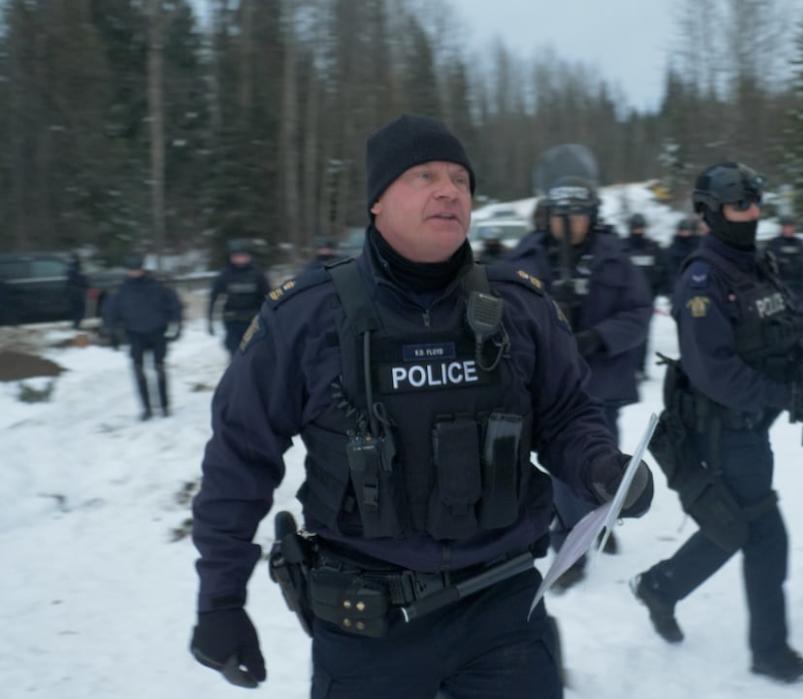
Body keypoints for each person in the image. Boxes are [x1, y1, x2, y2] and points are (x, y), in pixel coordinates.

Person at [188, 115, 654, 697]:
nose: (449, 190)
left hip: (503, 614)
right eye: (424, 175)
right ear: (377, 201)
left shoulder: (520, 307)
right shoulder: (304, 319)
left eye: (461, 179)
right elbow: (239, 459)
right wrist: (220, 601)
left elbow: (565, 415)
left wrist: (601, 468)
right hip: (367, 628)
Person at [631, 162, 803, 685]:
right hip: (723, 427)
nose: (753, 213)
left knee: (732, 527)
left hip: (751, 422)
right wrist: (778, 393)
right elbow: (713, 370)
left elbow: (779, 326)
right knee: (764, 535)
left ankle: (661, 587)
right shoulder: (703, 276)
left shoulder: (756, 264)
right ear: (711, 213)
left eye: (756, 202)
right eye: (741, 205)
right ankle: (770, 652)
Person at [508, 177, 653, 589]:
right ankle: (568, 548)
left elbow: (638, 312)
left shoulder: (613, 257)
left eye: (578, 216)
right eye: (561, 217)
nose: (569, 224)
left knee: (605, 463)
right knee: (565, 474)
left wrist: (597, 337)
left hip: (602, 382)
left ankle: (598, 522)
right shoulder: (529, 256)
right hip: (552, 388)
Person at [102, 254, 182, 420]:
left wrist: (176, 325)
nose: (135, 273)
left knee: (159, 369)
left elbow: (174, 305)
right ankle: (146, 408)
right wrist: (111, 333)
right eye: (132, 270)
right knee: (138, 371)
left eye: (137, 269)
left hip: (158, 332)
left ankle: (165, 406)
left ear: (143, 269)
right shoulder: (121, 289)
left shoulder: (158, 285)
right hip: (134, 334)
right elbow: (111, 312)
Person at [207, 240, 271, 357]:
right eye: (237, 256)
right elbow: (213, 297)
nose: (240, 259)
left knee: (254, 352)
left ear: (248, 256)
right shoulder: (225, 275)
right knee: (235, 354)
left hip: (254, 321)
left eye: (243, 256)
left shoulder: (258, 274)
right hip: (232, 321)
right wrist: (209, 320)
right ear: (231, 257)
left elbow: (269, 297)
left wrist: (271, 318)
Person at [623, 212, 665, 378]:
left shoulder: (653, 248)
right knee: (625, 334)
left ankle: (639, 368)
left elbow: (662, 270)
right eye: (635, 228)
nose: (638, 231)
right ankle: (628, 368)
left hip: (647, 299)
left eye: (640, 227)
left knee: (643, 335)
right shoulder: (622, 248)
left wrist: (660, 289)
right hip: (625, 299)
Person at [763, 214, 803, 310]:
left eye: (791, 226)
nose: (789, 229)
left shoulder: (800, 244)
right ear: (782, 228)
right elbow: (766, 266)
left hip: (798, 289)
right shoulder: (774, 244)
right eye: (786, 226)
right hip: (780, 289)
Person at [664, 217, 701, 291]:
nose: (684, 232)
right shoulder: (673, 247)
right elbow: (670, 268)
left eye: (686, 230)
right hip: (677, 282)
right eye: (682, 230)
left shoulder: (698, 245)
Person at [66, 253, 89, 329]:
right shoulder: (76, 267)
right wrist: (85, 283)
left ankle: (76, 324)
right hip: (77, 290)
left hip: (74, 290)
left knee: (77, 308)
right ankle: (76, 325)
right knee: (79, 308)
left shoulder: (71, 266)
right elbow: (80, 278)